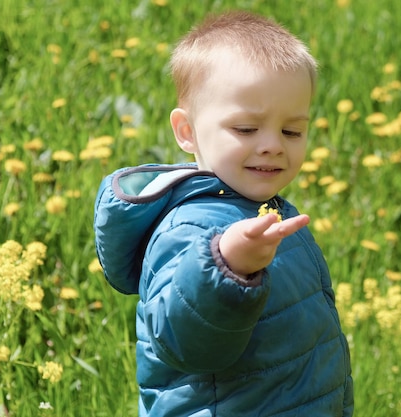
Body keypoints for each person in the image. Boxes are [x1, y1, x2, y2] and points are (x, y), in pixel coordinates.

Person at [94, 10, 353, 416]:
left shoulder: (264, 209)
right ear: (187, 132)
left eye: (292, 131)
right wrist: (226, 267)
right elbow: (184, 342)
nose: (272, 145)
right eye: (246, 129)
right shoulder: (186, 225)